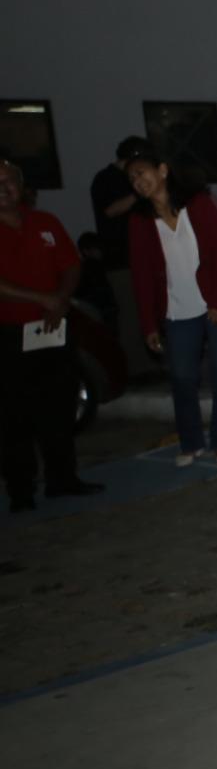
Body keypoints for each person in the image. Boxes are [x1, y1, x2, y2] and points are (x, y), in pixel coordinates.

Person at [126, 149, 217, 467]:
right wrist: (149, 324)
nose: (138, 181)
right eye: (132, 178)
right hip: (177, 310)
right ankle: (191, 442)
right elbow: (142, 277)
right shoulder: (139, 221)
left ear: (162, 170)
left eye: (141, 172)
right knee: (182, 377)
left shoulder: (198, 205)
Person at [0, 160, 103, 511]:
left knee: (59, 407)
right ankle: (21, 491)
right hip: (9, 334)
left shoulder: (45, 222)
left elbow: (71, 264)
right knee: (13, 415)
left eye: (8, 181)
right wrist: (40, 299)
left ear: (21, 185)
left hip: (53, 329)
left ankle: (63, 479)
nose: (3, 188)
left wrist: (60, 299)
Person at [88, 136, 149, 268]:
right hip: (120, 256)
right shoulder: (104, 178)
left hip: (142, 252)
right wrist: (140, 193)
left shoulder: (133, 177)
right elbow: (109, 211)